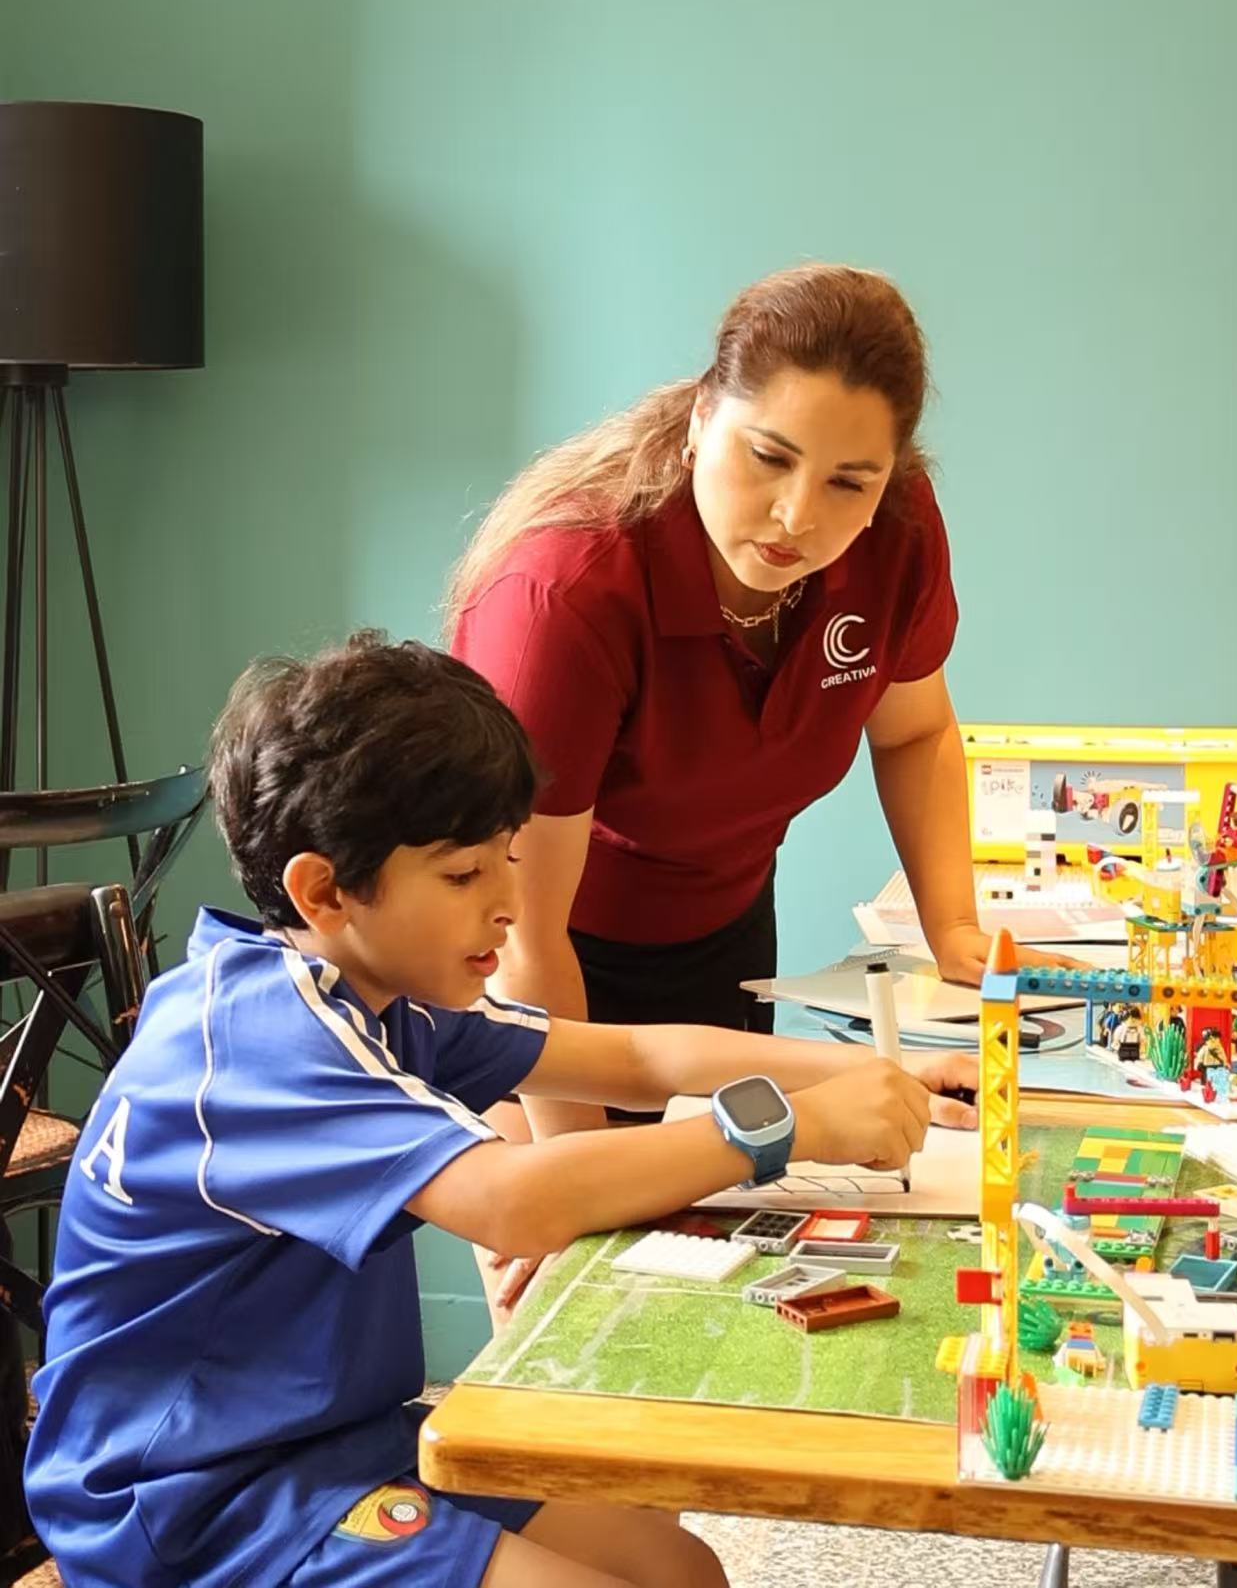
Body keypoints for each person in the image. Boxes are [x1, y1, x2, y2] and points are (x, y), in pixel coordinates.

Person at [24, 634, 978, 1588]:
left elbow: (638, 1058)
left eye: (508, 857)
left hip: (328, 1442)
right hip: (189, 1499)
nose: (510, 900)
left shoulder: (382, 996)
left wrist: (877, 1071)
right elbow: (513, 1202)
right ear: (324, 891)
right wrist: (785, 1128)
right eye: (462, 874)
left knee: (680, 1570)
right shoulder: (261, 1038)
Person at [447, 262, 1063, 1307]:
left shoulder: (897, 532)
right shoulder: (565, 592)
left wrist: (954, 927)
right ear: (701, 420)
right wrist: (576, 1186)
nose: (794, 514)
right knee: (570, 1305)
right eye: (767, 456)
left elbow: (914, 730)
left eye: (847, 483)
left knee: (712, 1288)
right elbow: (519, 934)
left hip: (722, 932)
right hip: (527, 968)